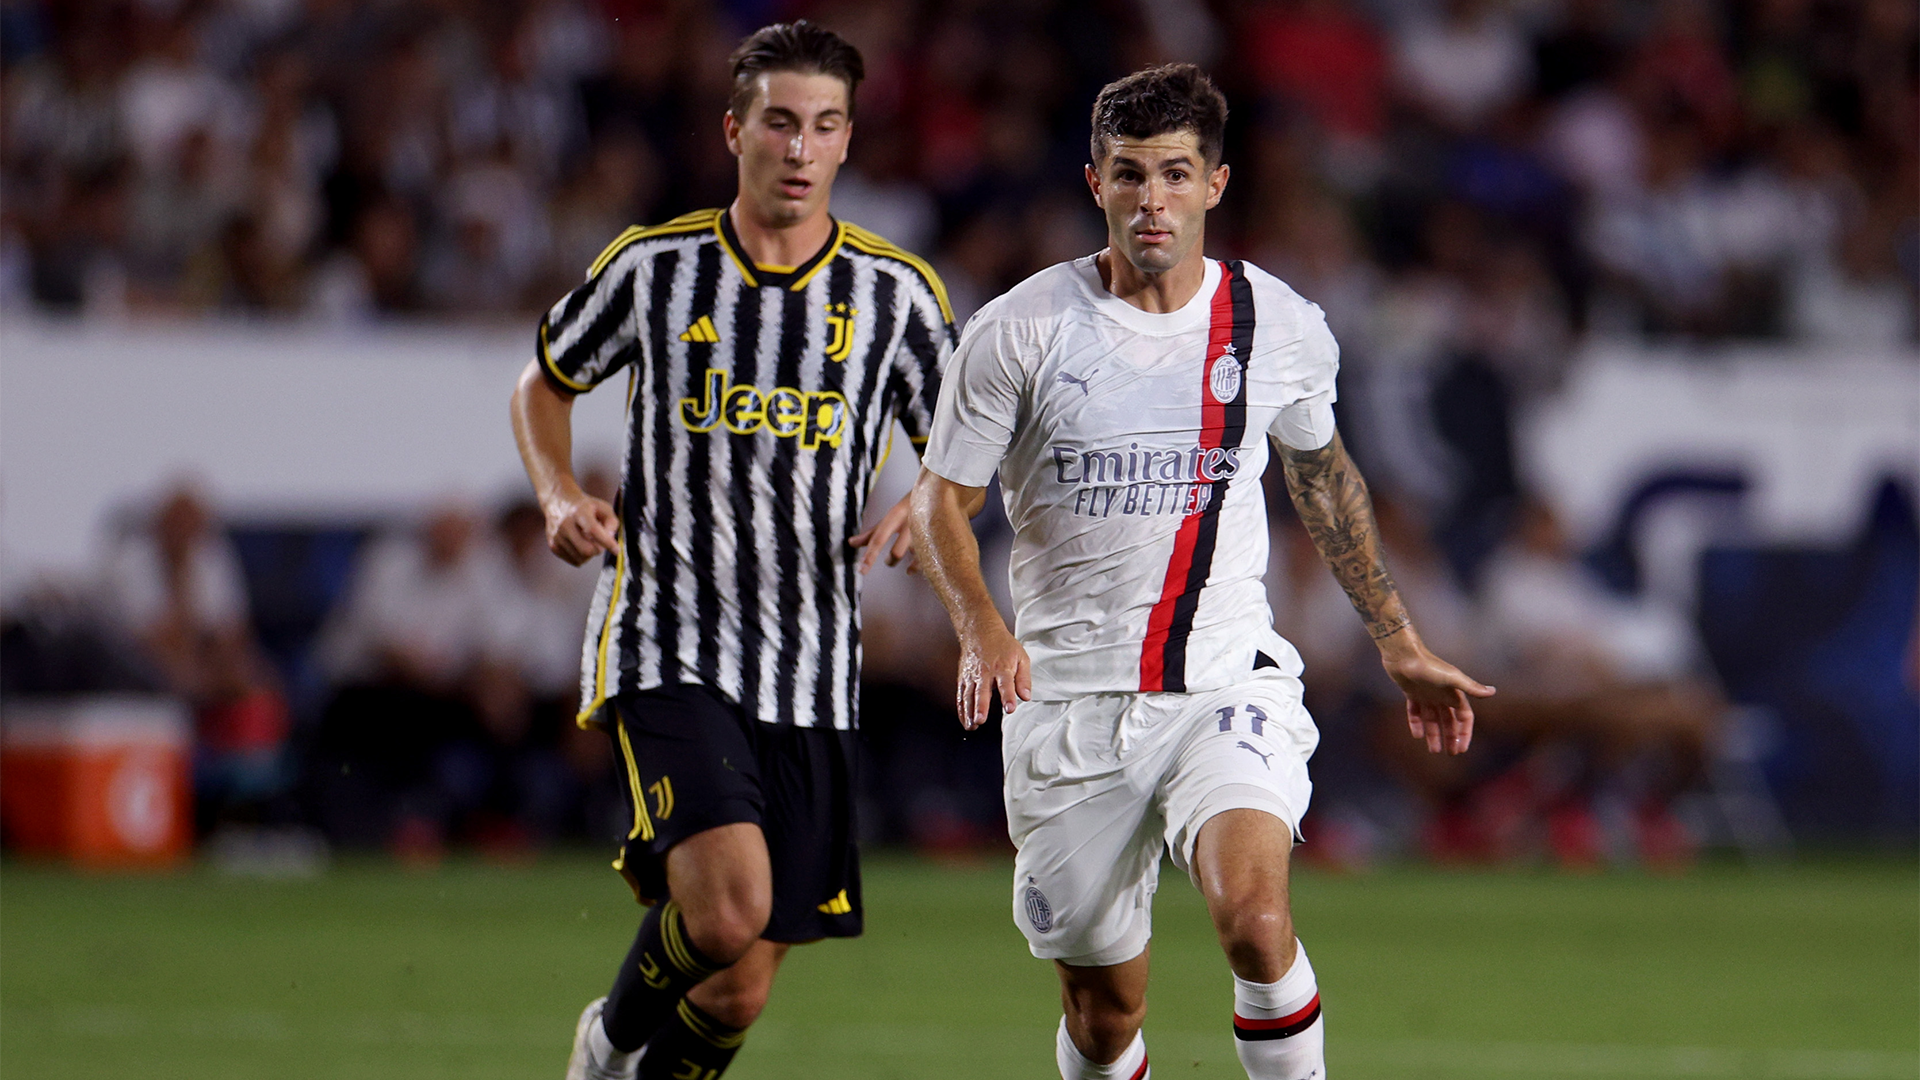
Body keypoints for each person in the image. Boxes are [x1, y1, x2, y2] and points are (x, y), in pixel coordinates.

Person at [908, 65, 1492, 1080]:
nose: (1153, 200)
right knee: (1104, 1018)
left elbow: (1325, 479)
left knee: (1257, 925)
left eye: (1177, 174)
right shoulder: (1019, 331)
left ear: (1216, 185)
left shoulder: (1278, 325)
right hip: (1068, 705)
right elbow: (936, 505)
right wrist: (980, 627)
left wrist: (1398, 640)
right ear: (1095, 182)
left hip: (1223, 684)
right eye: (1130, 175)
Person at [508, 21, 952, 1080]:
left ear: (848, 142)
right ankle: (604, 1049)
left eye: (825, 127)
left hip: (811, 667)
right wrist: (557, 492)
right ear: (735, 131)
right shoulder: (653, 270)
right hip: (669, 637)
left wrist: (928, 500)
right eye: (781, 123)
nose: (801, 148)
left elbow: (963, 456)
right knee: (727, 906)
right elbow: (542, 383)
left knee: (738, 983)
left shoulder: (898, 298)